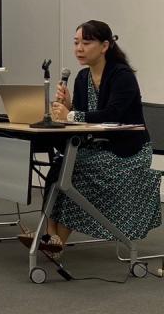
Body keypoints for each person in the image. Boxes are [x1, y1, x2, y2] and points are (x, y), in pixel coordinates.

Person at [22, 20, 161, 259]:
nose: (79, 48)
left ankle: (54, 241)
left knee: (75, 170)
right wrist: (69, 106)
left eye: (86, 43)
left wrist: (71, 114)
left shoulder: (122, 75)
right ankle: (50, 236)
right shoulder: (82, 77)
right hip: (96, 149)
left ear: (105, 46)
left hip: (128, 153)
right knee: (60, 165)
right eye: (76, 43)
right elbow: (85, 119)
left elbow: (112, 114)